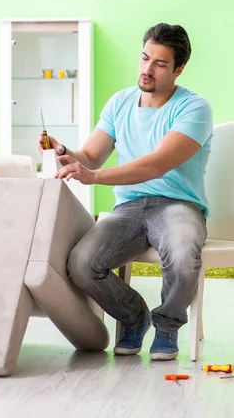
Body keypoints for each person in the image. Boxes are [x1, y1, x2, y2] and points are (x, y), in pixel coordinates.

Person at [38, 23, 213, 361]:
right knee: (81, 263)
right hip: (130, 207)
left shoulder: (194, 108)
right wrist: (64, 152)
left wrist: (93, 177)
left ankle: (167, 327)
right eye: (145, 58)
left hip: (179, 205)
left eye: (160, 64)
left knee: (181, 254)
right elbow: (90, 156)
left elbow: (156, 165)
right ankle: (135, 317)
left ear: (178, 69)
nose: (148, 69)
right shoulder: (120, 102)